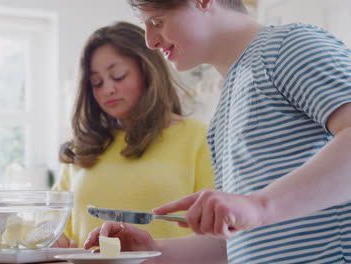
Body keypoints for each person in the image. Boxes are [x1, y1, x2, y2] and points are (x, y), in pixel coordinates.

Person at [84, 0, 351, 263]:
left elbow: (256, 212)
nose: (150, 41)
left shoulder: (287, 46)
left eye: (157, 22)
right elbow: (236, 240)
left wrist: (258, 207)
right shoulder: (226, 107)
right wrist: (153, 251)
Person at [51, 21, 215, 248]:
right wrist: (53, 240)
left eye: (118, 76)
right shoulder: (83, 148)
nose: (108, 89)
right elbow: (55, 228)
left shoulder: (199, 138)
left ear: (148, 71)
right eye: (96, 82)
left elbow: (216, 236)